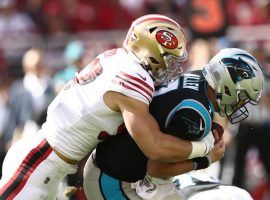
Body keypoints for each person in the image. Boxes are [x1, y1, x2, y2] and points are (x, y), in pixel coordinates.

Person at [0, 14, 217, 200]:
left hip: (50, 163)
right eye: (168, 58)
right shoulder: (134, 77)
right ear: (150, 49)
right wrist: (203, 148)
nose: (171, 66)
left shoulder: (117, 58)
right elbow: (154, 146)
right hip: (38, 165)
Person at [83, 48, 264, 200]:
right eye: (242, 97)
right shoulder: (196, 114)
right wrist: (205, 159)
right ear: (227, 86)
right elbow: (156, 169)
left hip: (110, 165)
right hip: (113, 181)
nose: (241, 104)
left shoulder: (198, 78)